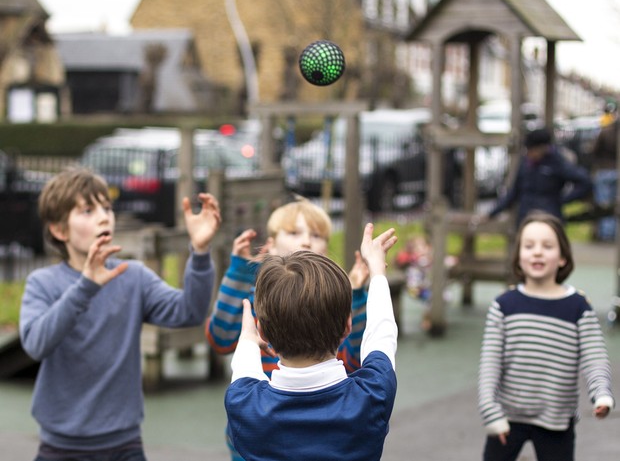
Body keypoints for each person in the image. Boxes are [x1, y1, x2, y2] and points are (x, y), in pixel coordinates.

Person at [19, 167, 221, 461]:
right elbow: (36, 345)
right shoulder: (43, 283)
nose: (104, 216)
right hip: (60, 448)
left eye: (107, 208)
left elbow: (189, 312)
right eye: (88, 210)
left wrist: (200, 252)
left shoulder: (133, 277)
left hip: (124, 445)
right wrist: (85, 286)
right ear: (59, 230)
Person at [205, 197, 369, 460]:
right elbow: (221, 339)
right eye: (294, 233)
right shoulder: (260, 297)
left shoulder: (332, 302)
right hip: (257, 430)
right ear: (269, 245)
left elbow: (356, 358)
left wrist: (357, 295)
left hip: (321, 425)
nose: (306, 241)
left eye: (316, 235)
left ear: (325, 248)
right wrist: (238, 272)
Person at [225, 223, 398, 461]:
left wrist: (247, 337)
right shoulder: (371, 396)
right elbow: (382, 333)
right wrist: (377, 270)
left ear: (262, 332)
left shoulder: (245, 406)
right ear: (347, 325)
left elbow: (244, 366)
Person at [478, 211, 614, 461]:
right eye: (529, 246)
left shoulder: (578, 307)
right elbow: (490, 364)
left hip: (557, 420)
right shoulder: (504, 306)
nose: (537, 252)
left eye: (547, 246)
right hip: (507, 418)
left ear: (562, 257)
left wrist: (601, 393)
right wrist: (490, 410)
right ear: (518, 257)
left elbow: (595, 358)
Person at [487, 127, 592, 227]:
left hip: (548, 217)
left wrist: (563, 200)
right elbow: (514, 191)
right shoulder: (525, 163)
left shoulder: (557, 162)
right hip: (526, 217)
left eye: (532, 150)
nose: (529, 153)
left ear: (543, 148)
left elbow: (584, 181)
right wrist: (492, 213)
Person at [591, 114, 618, 240]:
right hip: (616, 169)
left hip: (604, 169)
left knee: (604, 203)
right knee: (614, 203)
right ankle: (612, 232)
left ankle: (606, 234)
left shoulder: (605, 132)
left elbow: (595, 150)